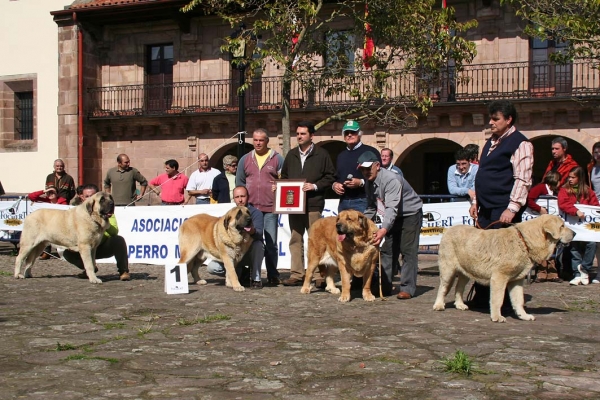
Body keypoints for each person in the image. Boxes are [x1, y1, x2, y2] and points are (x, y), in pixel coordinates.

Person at [469, 100, 534, 307]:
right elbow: (483, 174)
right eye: (491, 118)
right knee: (483, 253)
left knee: (502, 258)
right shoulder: (490, 142)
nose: (491, 122)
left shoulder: (520, 143)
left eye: (495, 119)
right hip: (486, 206)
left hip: (503, 207)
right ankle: (482, 296)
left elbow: (522, 179)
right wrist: (476, 202)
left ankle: (502, 302)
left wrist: (512, 208)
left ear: (508, 119)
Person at [358, 151, 423, 299]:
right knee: (387, 251)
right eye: (362, 169)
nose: (365, 172)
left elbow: (391, 208)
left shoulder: (391, 179)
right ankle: (384, 286)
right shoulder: (369, 182)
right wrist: (361, 223)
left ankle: (407, 288)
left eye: (368, 168)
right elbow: (371, 208)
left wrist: (383, 230)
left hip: (410, 213)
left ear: (378, 165)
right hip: (393, 215)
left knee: (408, 251)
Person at [281, 121, 336, 286]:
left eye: (303, 133)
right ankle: (297, 274)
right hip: (294, 206)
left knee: (316, 240)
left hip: (313, 204)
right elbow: (284, 177)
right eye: (297, 133)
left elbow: (330, 176)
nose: (299, 136)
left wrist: (315, 186)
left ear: (311, 136)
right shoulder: (291, 155)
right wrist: (279, 188)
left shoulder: (322, 154)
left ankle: (319, 276)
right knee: (295, 239)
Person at [236, 128, 284, 285]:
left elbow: (285, 181)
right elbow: (240, 183)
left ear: (267, 141)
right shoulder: (245, 159)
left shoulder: (277, 159)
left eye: (261, 140)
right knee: (249, 242)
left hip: (270, 208)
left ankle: (272, 275)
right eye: (255, 140)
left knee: (271, 244)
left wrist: (279, 187)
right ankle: (247, 273)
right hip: (249, 210)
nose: (257, 142)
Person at [62, 184, 131, 281]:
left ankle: (123, 271)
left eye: (93, 196)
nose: (90, 199)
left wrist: (104, 223)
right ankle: (90, 269)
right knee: (67, 253)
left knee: (118, 240)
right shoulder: (76, 213)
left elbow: (114, 231)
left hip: (102, 246)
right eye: (87, 196)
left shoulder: (106, 211)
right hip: (84, 248)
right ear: (82, 197)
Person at [206, 186, 265, 289]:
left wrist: (252, 231)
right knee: (212, 267)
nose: (240, 199)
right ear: (234, 198)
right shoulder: (230, 213)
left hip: (247, 254)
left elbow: (259, 234)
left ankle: (256, 279)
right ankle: (241, 274)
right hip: (234, 254)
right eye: (237, 197)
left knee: (258, 245)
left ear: (248, 197)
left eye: (243, 196)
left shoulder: (256, 213)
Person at [558, 166, 599, 285]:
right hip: (573, 225)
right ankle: (577, 274)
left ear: (579, 178)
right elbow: (563, 203)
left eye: (573, 177)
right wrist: (575, 211)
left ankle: (584, 269)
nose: (570, 179)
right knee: (574, 248)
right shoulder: (564, 190)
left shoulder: (588, 191)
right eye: (569, 177)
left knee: (591, 244)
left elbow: (595, 206)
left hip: (586, 226)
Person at [332, 120, 381, 213]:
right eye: (346, 133)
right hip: (343, 201)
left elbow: (380, 176)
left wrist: (361, 182)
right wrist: (335, 185)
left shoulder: (370, 152)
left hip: (363, 199)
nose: (349, 135)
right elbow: (337, 177)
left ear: (359, 134)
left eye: (353, 132)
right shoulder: (341, 155)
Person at [527, 171, 562, 283]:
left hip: (552, 221)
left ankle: (552, 271)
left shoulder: (555, 191)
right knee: (543, 244)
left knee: (553, 245)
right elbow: (529, 199)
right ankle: (542, 271)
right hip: (540, 221)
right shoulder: (541, 188)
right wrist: (539, 209)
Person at [587, 141, 600, 279]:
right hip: (595, 207)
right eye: (595, 152)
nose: (598, 155)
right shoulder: (591, 167)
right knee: (597, 241)